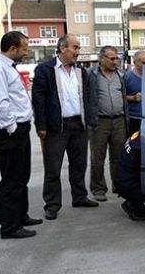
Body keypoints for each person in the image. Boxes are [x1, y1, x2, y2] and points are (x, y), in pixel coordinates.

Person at [0, 31, 42, 239]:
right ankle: (9, 226)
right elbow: (0, 102)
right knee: (11, 179)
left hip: (19, 128)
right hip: (9, 131)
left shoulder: (8, 68)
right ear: (12, 48)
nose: (26, 52)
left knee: (21, 176)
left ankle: (20, 216)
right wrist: (12, 128)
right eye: (24, 48)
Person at [32, 34, 99, 220]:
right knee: (53, 167)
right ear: (63, 49)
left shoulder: (81, 72)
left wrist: (90, 120)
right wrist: (41, 126)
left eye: (78, 48)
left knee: (79, 165)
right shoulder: (45, 70)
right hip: (56, 127)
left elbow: (87, 97)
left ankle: (79, 197)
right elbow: (38, 100)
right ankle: (52, 204)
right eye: (75, 47)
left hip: (79, 124)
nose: (78, 51)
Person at [86, 46, 128, 202]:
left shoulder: (121, 75)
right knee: (98, 157)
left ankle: (118, 185)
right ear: (101, 59)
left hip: (119, 120)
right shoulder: (91, 75)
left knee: (118, 156)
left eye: (116, 58)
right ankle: (98, 189)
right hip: (99, 122)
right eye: (111, 58)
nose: (115, 61)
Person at [125, 50, 145, 135]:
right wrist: (133, 98)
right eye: (144, 63)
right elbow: (120, 97)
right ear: (135, 62)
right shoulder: (127, 77)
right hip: (134, 118)